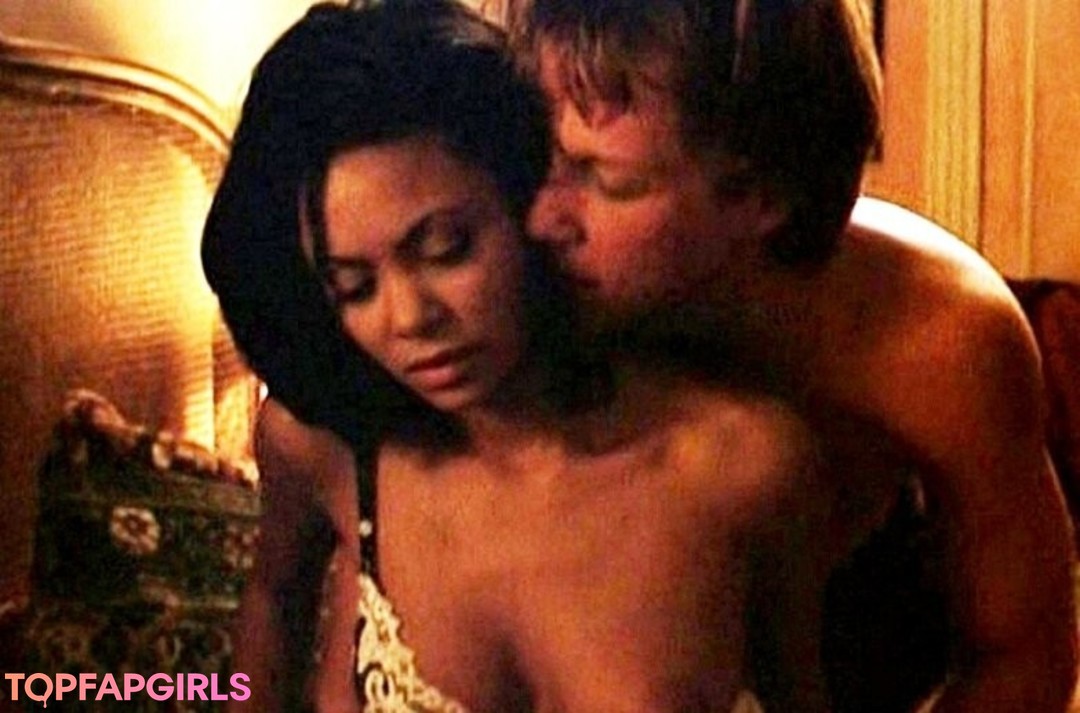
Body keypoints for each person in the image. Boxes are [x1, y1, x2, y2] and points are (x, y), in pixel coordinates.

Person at [202, 2, 858, 711]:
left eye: (447, 249)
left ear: (529, 201)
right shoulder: (327, 446)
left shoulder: (745, 466)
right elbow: (274, 600)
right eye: (353, 287)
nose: (410, 319)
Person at [506, 0, 1078, 710]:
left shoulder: (937, 338)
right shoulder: (514, 301)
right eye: (538, 155)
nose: (541, 217)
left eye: (606, 180)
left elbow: (1023, 657)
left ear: (758, 193)